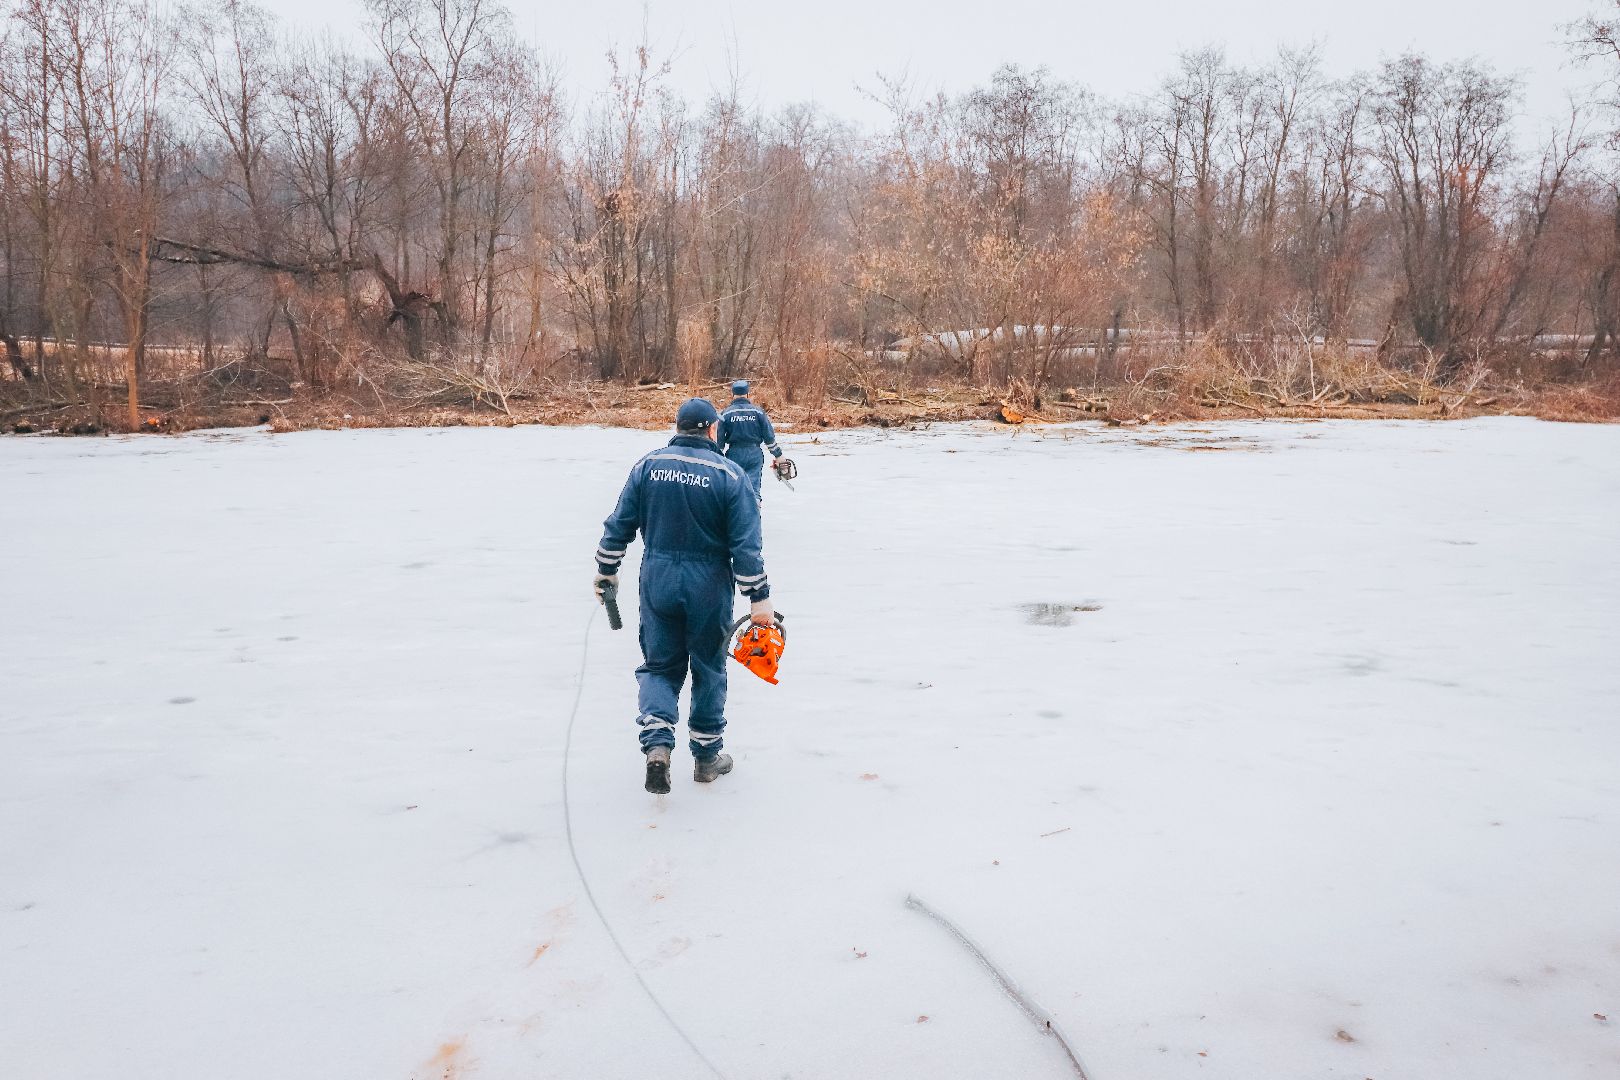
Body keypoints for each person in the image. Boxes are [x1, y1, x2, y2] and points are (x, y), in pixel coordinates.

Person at [593, 397, 776, 795]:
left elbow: (619, 524)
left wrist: (606, 571)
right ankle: (706, 759)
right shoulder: (729, 475)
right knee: (708, 667)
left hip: (657, 576)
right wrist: (759, 600)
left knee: (660, 666)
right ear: (713, 429)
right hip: (708, 582)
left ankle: (658, 744)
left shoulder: (646, 466)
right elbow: (746, 546)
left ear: (677, 427)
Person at [717, 380, 795, 502]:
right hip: (754, 454)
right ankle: (755, 510)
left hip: (734, 454)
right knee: (753, 487)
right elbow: (769, 438)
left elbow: (719, 442)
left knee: (734, 487)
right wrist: (778, 456)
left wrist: (716, 458)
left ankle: (735, 514)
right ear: (748, 394)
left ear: (733, 395)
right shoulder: (758, 412)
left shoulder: (726, 413)